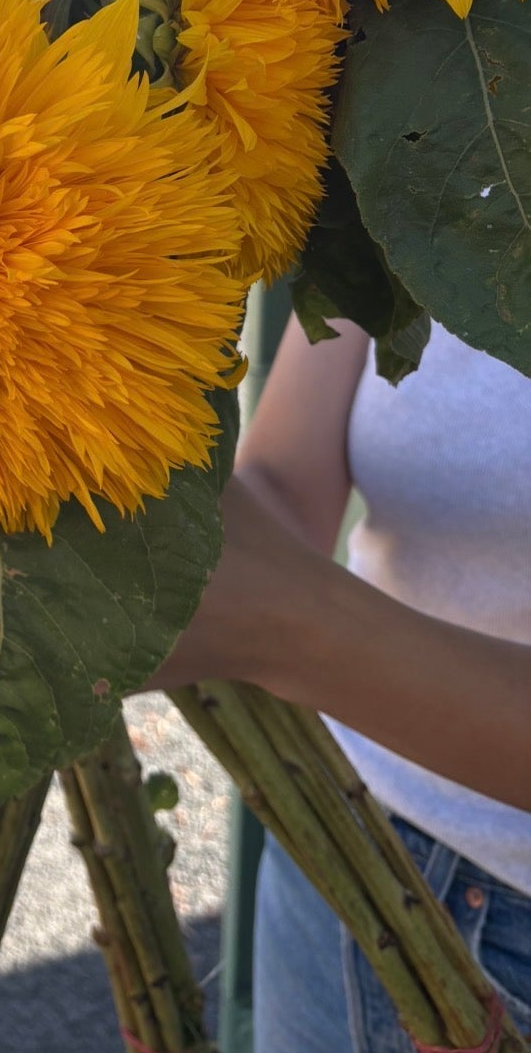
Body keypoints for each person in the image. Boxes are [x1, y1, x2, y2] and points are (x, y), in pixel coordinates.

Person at [151, 313, 531, 1050]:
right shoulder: (412, 193)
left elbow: (283, 600)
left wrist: (293, 626)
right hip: (335, 853)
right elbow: (285, 490)